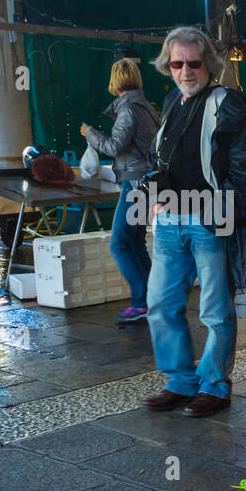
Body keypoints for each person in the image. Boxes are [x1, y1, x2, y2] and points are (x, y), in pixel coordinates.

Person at [141, 26, 246, 417]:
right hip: (170, 220)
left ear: (209, 65)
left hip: (209, 223)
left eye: (193, 62)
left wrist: (218, 212)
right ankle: (181, 380)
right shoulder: (172, 103)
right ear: (167, 66)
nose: (185, 70)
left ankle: (215, 385)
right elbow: (163, 161)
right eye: (177, 63)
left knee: (215, 310)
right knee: (160, 305)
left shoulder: (228, 103)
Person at [80, 57, 159, 325]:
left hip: (135, 183)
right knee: (136, 242)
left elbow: (114, 146)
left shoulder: (129, 110)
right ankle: (152, 300)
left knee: (120, 243)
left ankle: (140, 303)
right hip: (146, 181)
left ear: (115, 80)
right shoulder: (147, 107)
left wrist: (90, 133)